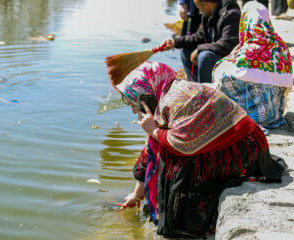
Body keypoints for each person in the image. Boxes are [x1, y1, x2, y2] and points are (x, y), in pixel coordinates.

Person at [113, 61, 286, 238]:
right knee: (163, 148)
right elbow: (151, 147)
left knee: (174, 166)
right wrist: (137, 194)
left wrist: (155, 131)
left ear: (148, 95)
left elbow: (182, 146)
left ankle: (185, 225)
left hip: (245, 150)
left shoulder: (177, 100)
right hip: (228, 143)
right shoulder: (166, 94)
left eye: (135, 103)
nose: (134, 110)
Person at [212, 1, 293, 129]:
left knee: (223, 75)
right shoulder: (280, 46)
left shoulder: (249, 49)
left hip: (249, 116)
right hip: (274, 116)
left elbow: (228, 76)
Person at [164, 0, 241, 83]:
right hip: (215, 55)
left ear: (205, 4)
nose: (198, 10)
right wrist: (175, 42)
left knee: (204, 57)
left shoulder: (231, 15)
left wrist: (200, 49)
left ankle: (207, 92)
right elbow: (198, 37)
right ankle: (196, 86)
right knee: (186, 52)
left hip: (228, 61)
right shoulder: (208, 14)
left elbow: (227, 45)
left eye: (198, 6)